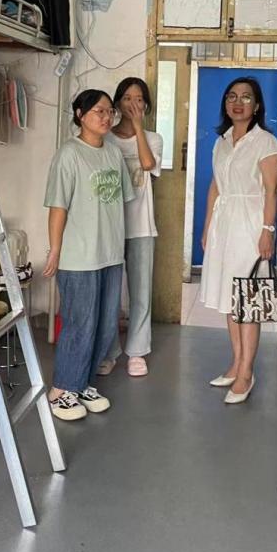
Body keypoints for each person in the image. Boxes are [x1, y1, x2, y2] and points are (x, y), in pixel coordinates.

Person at [43, 89, 135, 421]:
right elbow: (58, 206)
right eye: (99, 111)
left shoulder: (113, 153)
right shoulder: (69, 154)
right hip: (79, 255)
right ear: (81, 115)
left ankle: (82, 384)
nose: (106, 117)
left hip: (109, 254)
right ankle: (61, 390)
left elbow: (120, 201)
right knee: (79, 323)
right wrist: (55, 249)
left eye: (110, 111)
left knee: (105, 324)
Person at [200, 77, 277, 405]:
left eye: (246, 97)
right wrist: (207, 227)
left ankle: (247, 372)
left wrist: (267, 230)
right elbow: (215, 186)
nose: (238, 102)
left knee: (248, 300)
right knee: (229, 297)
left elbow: (271, 191)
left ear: (257, 105)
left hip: (250, 225)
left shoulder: (266, 142)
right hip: (224, 224)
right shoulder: (221, 141)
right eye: (232, 97)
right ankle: (236, 362)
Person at [100, 77, 163, 378]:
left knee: (140, 292)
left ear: (146, 105)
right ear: (116, 104)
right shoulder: (105, 137)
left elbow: (148, 165)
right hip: (110, 225)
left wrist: (138, 128)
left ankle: (137, 351)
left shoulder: (153, 138)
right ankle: (109, 351)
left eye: (139, 99)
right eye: (126, 98)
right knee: (109, 294)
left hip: (141, 225)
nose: (133, 104)